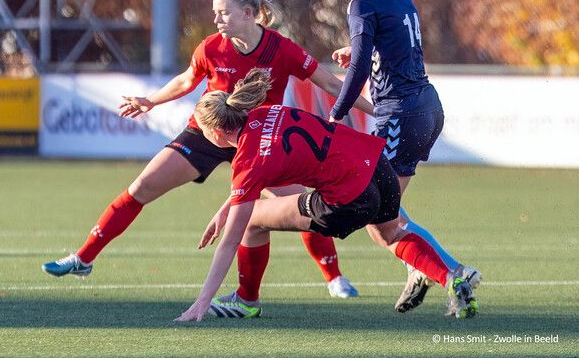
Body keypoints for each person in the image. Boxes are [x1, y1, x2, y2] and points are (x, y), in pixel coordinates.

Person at [41, 0, 373, 299]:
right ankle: (84, 258)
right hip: (209, 132)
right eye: (215, 11)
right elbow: (187, 81)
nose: (215, 19)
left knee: (303, 205)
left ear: (247, 13)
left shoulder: (281, 49)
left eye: (222, 12)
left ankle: (334, 277)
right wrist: (150, 101)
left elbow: (330, 84)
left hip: (261, 142)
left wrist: (376, 110)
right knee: (141, 187)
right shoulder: (211, 48)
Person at [175, 68, 479, 322]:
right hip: (375, 165)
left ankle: (246, 301)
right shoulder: (267, 112)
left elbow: (230, 241)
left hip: (348, 196)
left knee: (252, 220)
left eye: (202, 132)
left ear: (216, 133)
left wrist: (202, 301)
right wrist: (225, 208)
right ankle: (453, 279)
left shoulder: (246, 161)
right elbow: (257, 175)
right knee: (391, 234)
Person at [328, 0, 480, 312]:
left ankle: (452, 272)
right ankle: (425, 268)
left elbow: (361, 67)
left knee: (378, 217)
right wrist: (360, 47)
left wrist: (336, 112)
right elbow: (398, 43)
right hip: (426, 108)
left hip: (400, 115)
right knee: (383, 209)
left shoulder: (361, 4)